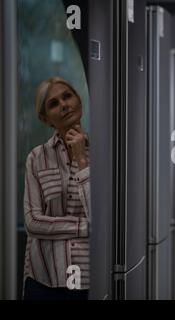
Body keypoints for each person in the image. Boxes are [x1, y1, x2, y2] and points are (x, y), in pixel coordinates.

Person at [22, 77, 90, 300]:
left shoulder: (103, 152)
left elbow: (102, 216)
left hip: (85, 279)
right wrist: (84, 226)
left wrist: (82, 158)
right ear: (45, 119)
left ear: (79, 100)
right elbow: (33, 221)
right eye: (53, 103)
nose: (63, 104)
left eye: (67, 96)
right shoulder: (37, 157)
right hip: (43, 279)